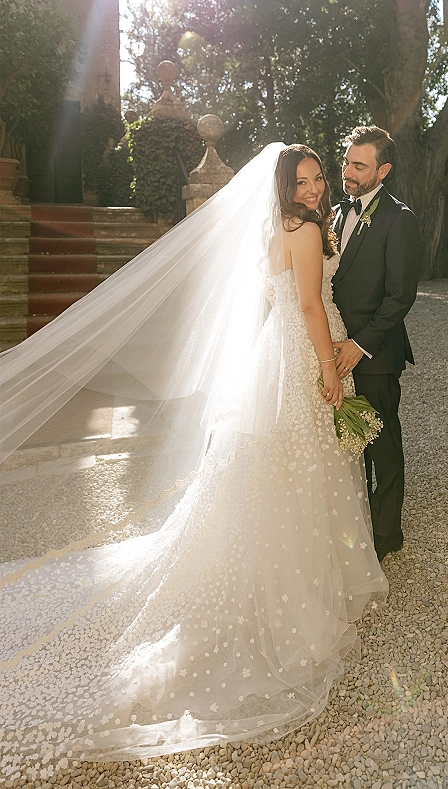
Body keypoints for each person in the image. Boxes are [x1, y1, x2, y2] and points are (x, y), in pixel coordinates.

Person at [0, 143, 387, 780]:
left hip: (273, 353)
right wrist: (328, 367)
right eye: (306, 179)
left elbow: (277, 299)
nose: (316, 188)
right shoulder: (308, 230)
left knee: (270, 467)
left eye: (320, 178)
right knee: (298, 467)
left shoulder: (272, 228)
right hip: (299, 355)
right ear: (286, 184)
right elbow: (313, 307)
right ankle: (293, 584)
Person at [332, 126, 422, 561]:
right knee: (347, 444)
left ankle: (387, 536)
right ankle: (355, 522)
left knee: (382, 445)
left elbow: (399, 296)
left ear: (382, 170)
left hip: (375, 355)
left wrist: (359, 344)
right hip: (331, 351)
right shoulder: (334, 213)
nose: (347, 171)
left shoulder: (398, 219)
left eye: (359, 165)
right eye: (347, 161)